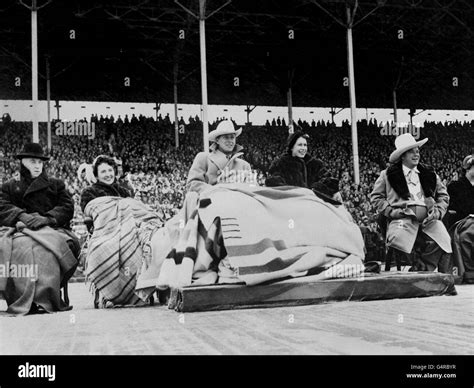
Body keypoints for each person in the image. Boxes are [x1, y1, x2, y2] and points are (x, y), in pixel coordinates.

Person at [0, 143, 79, 315]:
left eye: (40, 162)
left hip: (53, 230)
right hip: (20, 232)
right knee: (23, 249)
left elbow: (67, 207)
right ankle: (24, 299)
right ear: (22, 162)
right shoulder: (9, 186)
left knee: (45, 250)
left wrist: (47, 218)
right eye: (32, 161)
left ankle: (46, 299)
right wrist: (21, 216)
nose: (37, 165)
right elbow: (2, 206)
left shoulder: (56, 184)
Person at [370, 133, 452, 272]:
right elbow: (376, 198)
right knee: (400, 241)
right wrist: (392, 212)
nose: (416, 154)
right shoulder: (388, 174)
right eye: (411, 152)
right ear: (402, 155)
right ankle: (414, 269)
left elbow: (443, 196)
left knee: (444, 240)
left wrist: (437, 212)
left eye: (417, 151)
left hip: (429, 220)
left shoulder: (429, 173)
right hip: (402, 219)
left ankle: (422, 268)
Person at [265, 131, 340, 204]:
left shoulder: (315, 164)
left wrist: (315, 189)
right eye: (300, 145)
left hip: (313, 207)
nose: (303, 148)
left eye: (305, 145)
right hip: (291, 207)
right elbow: (273, 182)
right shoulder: (280, 164)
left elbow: (329, 180)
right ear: (291, 147)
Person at [186, 120, 253, 194]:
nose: (230, 140)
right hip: (211, 202)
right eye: (226, 137)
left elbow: (253, 190)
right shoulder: (204, 158)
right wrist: (217, 191)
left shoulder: (244, 165)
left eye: (232, 137)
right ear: (217, 140)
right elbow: (192, 184)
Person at [447, 154, 474, 283]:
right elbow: (456, 209)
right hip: (463, 222)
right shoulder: (455, 186)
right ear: (467, 169)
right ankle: (469, 272)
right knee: (466, 237)